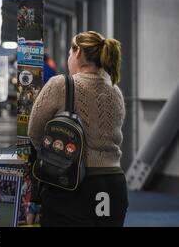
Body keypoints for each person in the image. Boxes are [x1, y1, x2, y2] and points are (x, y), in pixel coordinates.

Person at [27, 31, 128, 227]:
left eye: (69, 53)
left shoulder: (61, 84)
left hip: (72, 185)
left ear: (78, 52)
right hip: (113, 184)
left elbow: (34, 132)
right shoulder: (115, 91)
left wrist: (55, 155)